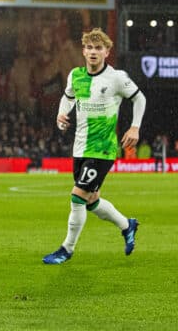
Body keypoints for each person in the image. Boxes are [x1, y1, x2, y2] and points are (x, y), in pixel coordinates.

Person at [42, 28, 146, 265]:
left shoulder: (117, 78)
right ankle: (126, 225)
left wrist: (135, 127)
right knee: (91, 201)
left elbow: (140, 98)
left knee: (77, 197)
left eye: (98, 48)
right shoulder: (75, 75)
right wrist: (61, 114)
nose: (93, 52)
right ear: (83, 51)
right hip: (80, 147)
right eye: (89, 47)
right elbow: (68, 97)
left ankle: (66, 249)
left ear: (107, 52)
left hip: (103, 149)